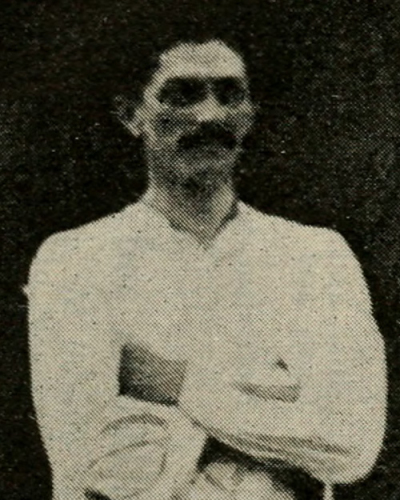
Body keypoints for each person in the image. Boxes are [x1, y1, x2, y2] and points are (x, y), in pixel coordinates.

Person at [26, 35, 387, 500]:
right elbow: (93, 467)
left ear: (250, 114)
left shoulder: (318, 256)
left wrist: (176, 385)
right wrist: (276, 404)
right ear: (131, 114)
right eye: (182, 95)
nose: (210, 115)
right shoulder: (74, 259)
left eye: (230, 95)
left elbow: (353, 445)